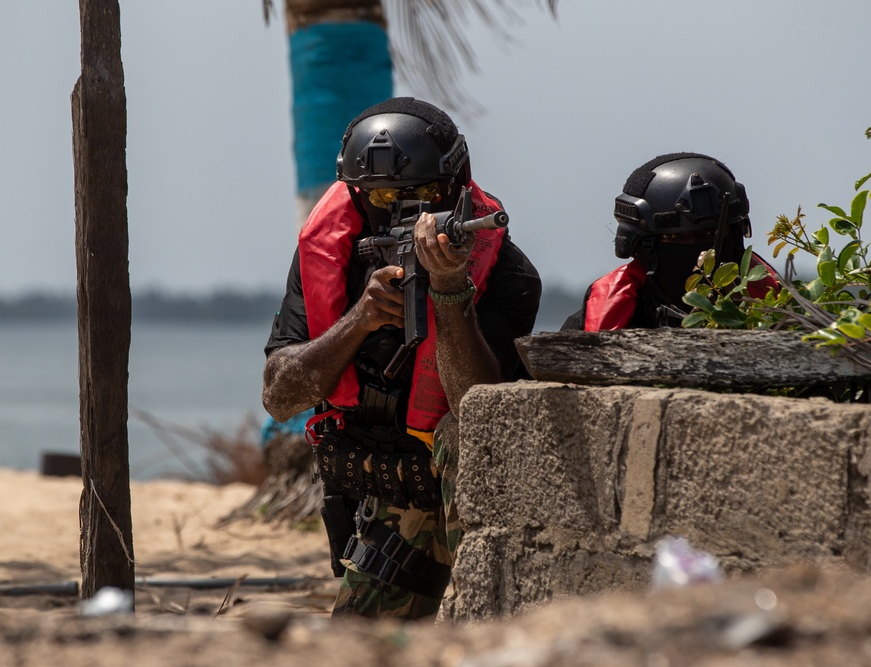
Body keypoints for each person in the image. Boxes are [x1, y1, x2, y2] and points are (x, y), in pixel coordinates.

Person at [262, 97, 541, 621]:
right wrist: (360, 319)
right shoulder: (331, 256)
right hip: (376, 507)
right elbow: (280, 396)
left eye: (425, 196)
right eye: (383, 196)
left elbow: (475, 407)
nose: (402, 213)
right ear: (356, 195)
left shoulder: (508, 274)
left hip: (462, 508)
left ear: (456, 188)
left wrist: (450, 291)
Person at [561, 152, 778, 331]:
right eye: (672, 237)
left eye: (711, 235)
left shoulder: (777, 307)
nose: (700, 256)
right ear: (640, 246)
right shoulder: (590, 323)